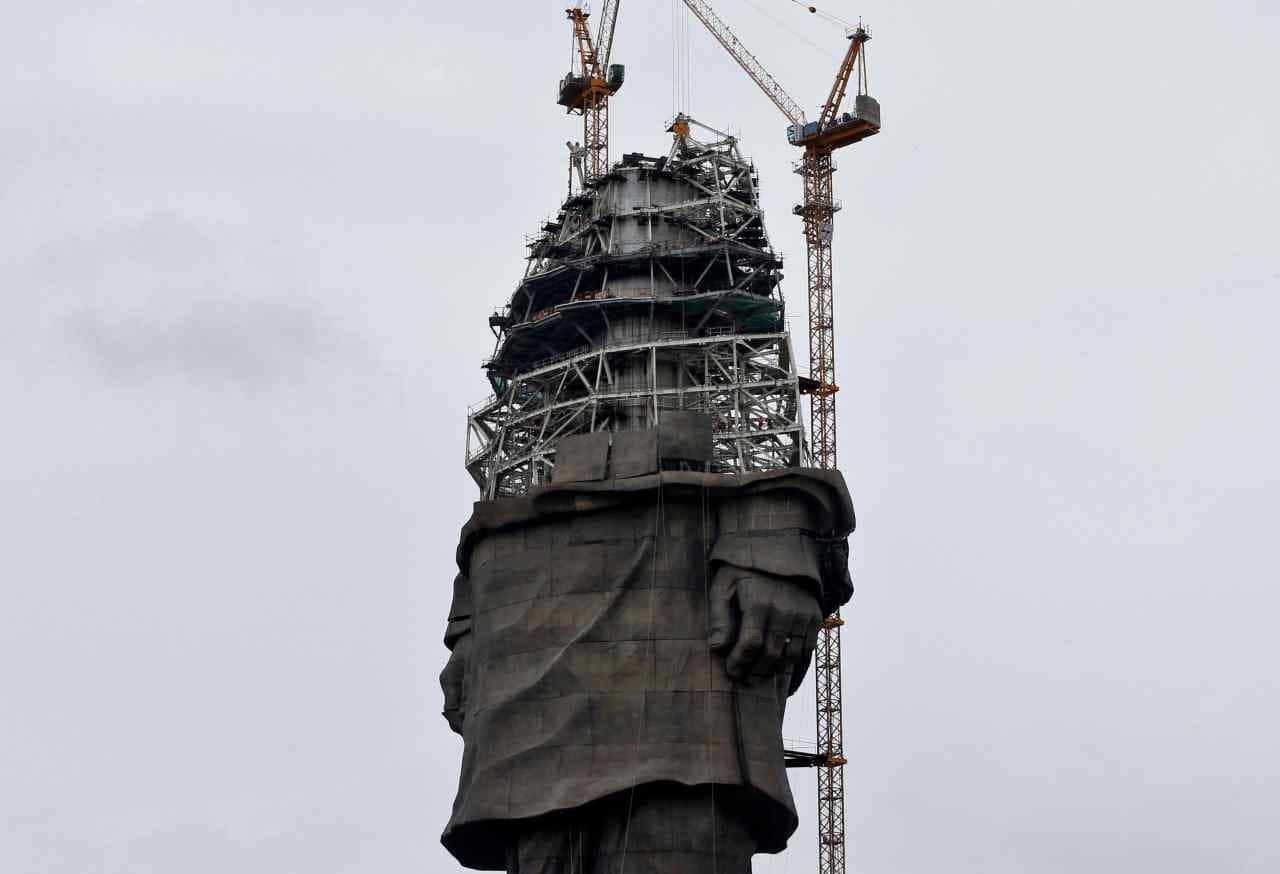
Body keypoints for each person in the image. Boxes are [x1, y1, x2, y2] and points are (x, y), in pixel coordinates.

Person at [440, 417, 854, 873]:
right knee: (538, 840)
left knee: (675, 822)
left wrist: (772, 531)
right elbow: (516, 426)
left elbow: (750, 399)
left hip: (679, 567)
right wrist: (468, 621)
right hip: (522, 599)